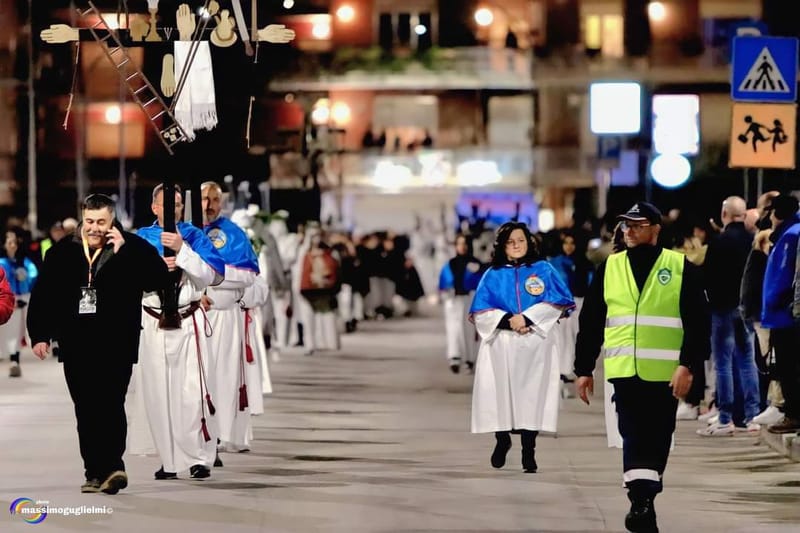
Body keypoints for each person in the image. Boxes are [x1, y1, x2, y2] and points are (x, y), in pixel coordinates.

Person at [574, 202, 709, 533]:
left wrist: (688, 365)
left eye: (638, 225)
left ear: (656, 229)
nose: (630, 231)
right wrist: (583, 368)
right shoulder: (610, 268)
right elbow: (590, 321)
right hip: (624, 371)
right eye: (626, 225)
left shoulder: (680, 267)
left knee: (659, 436)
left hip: (665, 373)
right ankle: (640, 501)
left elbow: (698, 323)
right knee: (633, 434)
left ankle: (645, 498)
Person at [26, 193, 171, 494]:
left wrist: (125, 252)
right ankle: (93, 471)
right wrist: (39, 334)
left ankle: (114, 466)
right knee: (86, 407)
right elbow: (44, 295)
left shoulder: (132, 247)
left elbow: (159, 279)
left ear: (112, 221)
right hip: (76, 343)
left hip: (117, 342)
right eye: (90, 221)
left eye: (101, 222)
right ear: (83, 218)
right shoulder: (62, 251)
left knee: (112, 403)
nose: (94, 228)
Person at [135, 184, 226, 480]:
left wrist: (182, 251)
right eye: (167, 204)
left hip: (187, 321)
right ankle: (170, 460)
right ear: (154, 208)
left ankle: (199, 457)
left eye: (176, 204)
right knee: (159, 394)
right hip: (154, 322)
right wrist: (155, 267)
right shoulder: (141, 238)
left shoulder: (193, 236)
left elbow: (212, 275)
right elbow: (128, 279)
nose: (173, 209)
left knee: (193, 392)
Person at [469, 222, 574, 473]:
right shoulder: (492, 274)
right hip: (501, 343)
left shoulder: (544, 270)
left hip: (535, 342)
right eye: (510, 242)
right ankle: (502, 439)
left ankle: (529, 449)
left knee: (532, 396)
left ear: (529, 242)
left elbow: (558, 302)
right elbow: (481, 311)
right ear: (502, 246)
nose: (516, 246)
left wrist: (528, 318)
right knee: (499, 393)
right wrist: (509, 320)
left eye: (521, 240)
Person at [200, 181, 262, 455]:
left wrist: (210, 276)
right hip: (192, 319)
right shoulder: (185, 231)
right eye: (204, 198)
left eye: (214, 199)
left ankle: (225, 434)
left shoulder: (233, 234)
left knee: (224, 377)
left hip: (224, 318)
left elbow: (247, 276)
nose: (209, 205)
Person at [698, 196, 760, 436]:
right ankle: (752, 416)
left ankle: (725, 417)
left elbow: (708, 277)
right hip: (745, 309)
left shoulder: (719, 242)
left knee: (723, 364)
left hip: (722, 309)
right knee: (748, 361)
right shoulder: (752, 240)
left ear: (725, 215)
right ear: (743, 215)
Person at [761, 194, 800, 434]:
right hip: (784, 313)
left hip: (784, 315)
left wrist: (772, 300)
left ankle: (793, 414)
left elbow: (783, 274)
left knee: (788, 367)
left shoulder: (790, 236)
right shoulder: (789, 233)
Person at [439, 234, 482, 374]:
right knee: (452, 328)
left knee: (468, 330)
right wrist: (445, 292)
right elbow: (443, 281)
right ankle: (454, 356)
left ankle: (469, 358)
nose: (462, 247)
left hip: (469, 299)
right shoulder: (450, 264)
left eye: (464, 243)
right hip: (452, 300)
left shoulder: (476, 264)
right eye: (459, 243)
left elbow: (481, 283)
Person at [0, 228, 38, 377]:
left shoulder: (24, 261)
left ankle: (15, 358)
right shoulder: (2, 263)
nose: (12, 245)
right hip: (9, 299)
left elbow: (33, 274)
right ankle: (12, 358)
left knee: (20, 329)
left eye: (14, 242)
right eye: (9, 242)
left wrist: (27, 281)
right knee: (10, 329)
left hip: (24, 296)